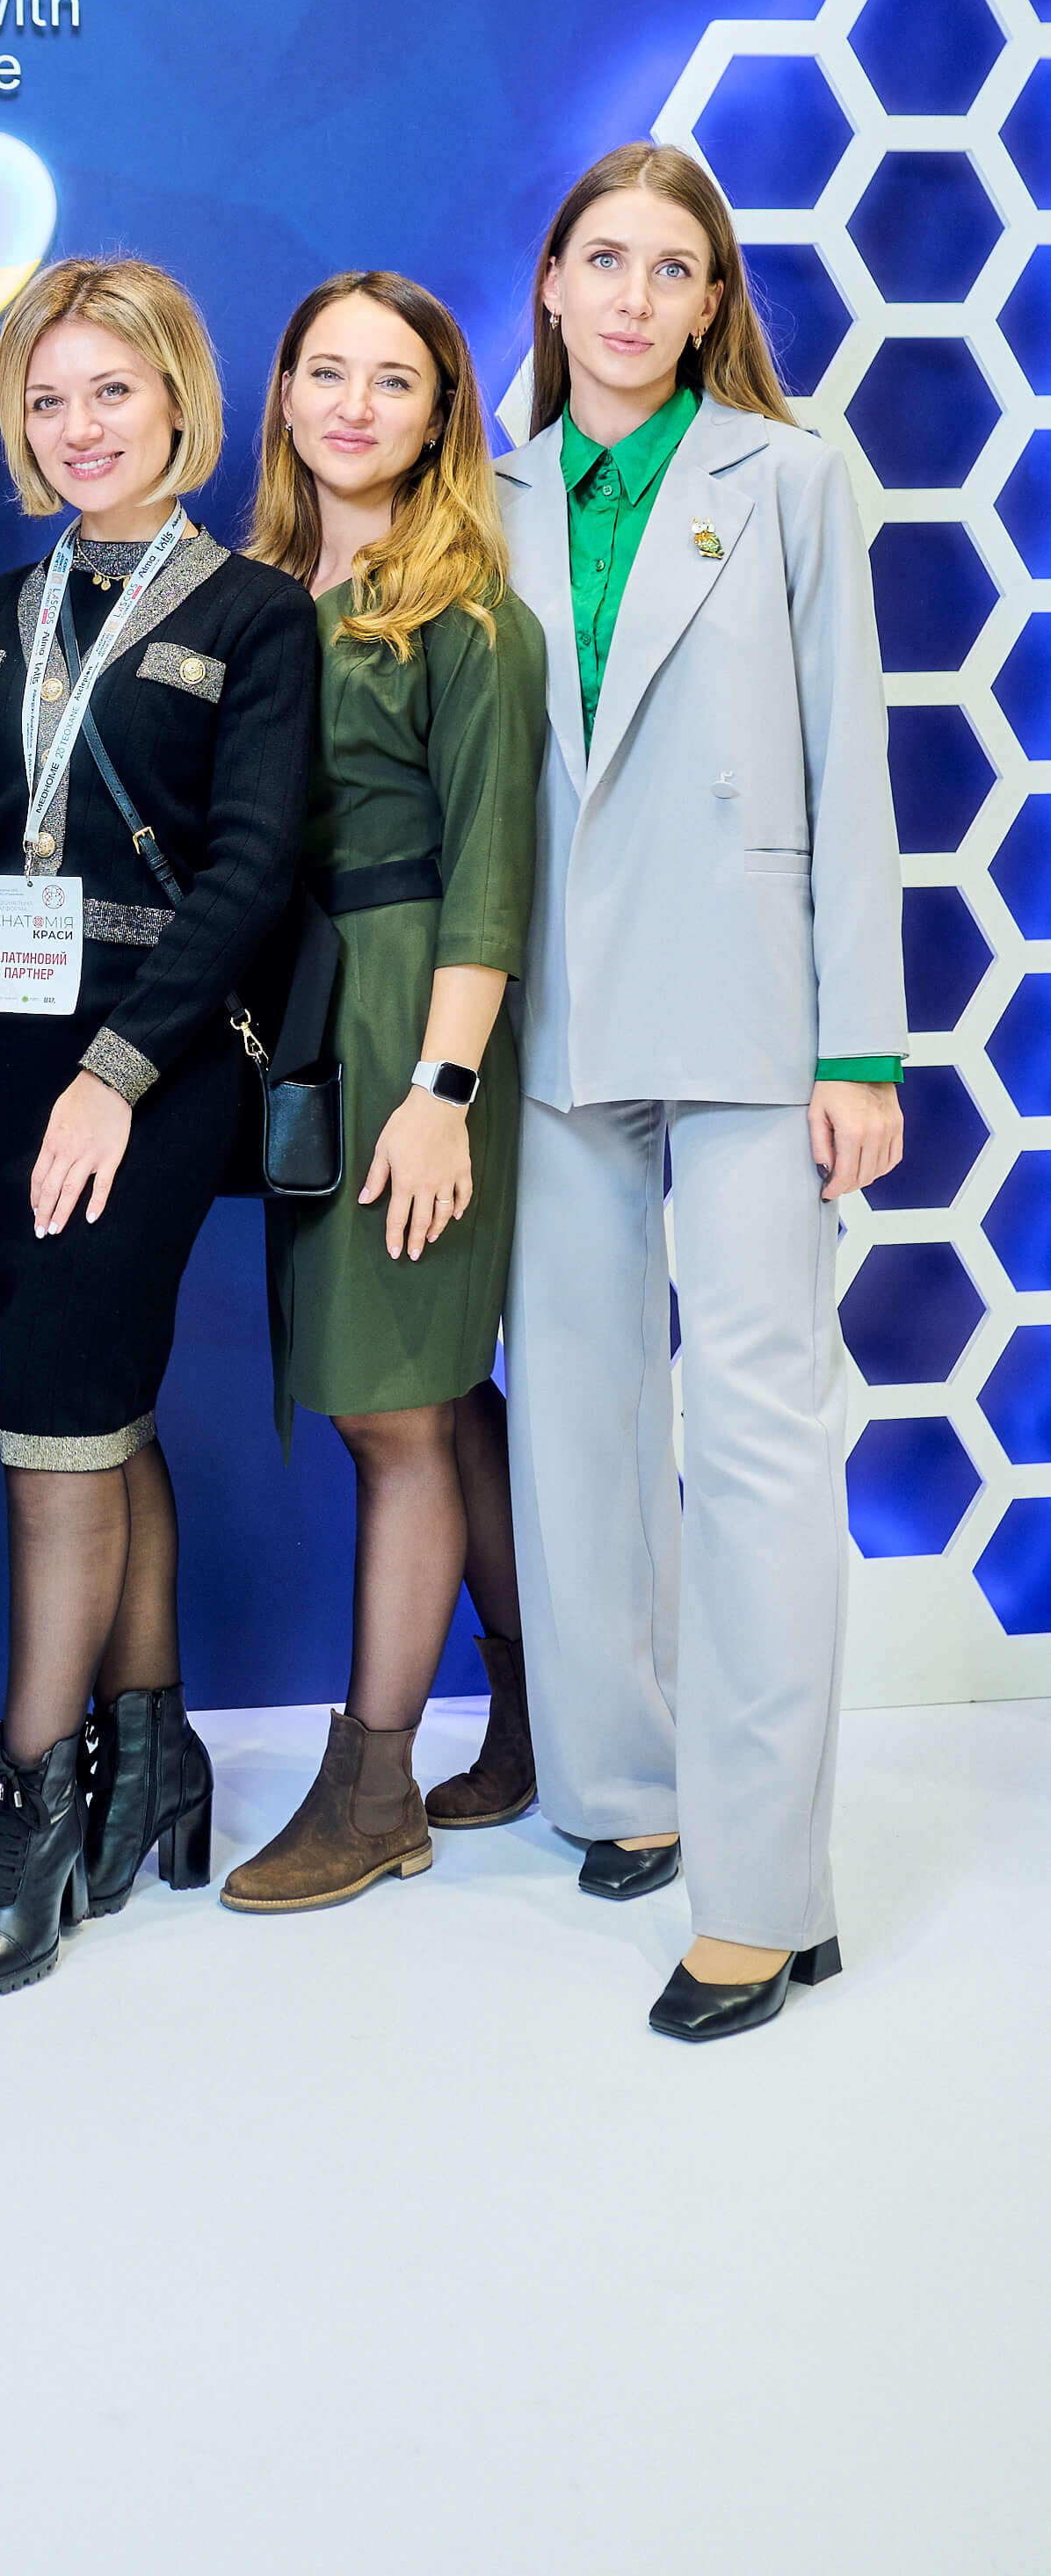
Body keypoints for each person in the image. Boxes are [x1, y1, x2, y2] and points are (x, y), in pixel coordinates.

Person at [494, 139, 904, 2042]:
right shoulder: (483, 491)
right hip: (552, 1011)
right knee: (574, 1419)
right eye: (604, 259)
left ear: (712, 300)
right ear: (551, 282)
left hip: (747, 1003)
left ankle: (762, 1893)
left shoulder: (787, 476)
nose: (634, 296)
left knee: (753, 1437)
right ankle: (626, 1786)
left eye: (673, 267)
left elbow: (848, 761)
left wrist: (857, 1045)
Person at [0, 257, 315, 1997]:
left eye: (111, 391)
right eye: (46, 397)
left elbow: (250, 873)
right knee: (91, 1411)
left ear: (176, 404)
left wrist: (117, 1068)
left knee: (49, 1428)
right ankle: (152, 1748)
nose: (78, 425)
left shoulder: (254, 614)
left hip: (147, 1060)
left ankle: (33, 1798)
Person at [220, 274, 546, 1915]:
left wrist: (439, 1088)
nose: (354, 405)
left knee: (393, 1411)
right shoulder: (252, 593)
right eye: (326, 372)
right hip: (297, 1019)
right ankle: (540, 1704)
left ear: (439, 418)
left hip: (412, 1016)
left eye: (393, 380)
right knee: (437, 1393)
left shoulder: (467, 614)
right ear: (281, 394)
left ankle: (372, 1790)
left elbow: (489, 873)